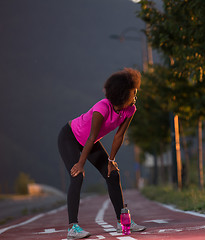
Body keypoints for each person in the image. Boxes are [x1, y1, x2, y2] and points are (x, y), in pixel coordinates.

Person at [58, 68, 146, 239]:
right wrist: (81, 163)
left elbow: (119, 136)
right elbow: (91, 137)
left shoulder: (130, 109)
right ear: (123, 95)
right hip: (69, 137)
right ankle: (73, 228)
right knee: (77, 176)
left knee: (113, 175)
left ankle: (123, 222)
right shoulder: (102, 108)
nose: (135, 96)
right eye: (133, 93)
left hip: (90, 141)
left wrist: (111, 160)